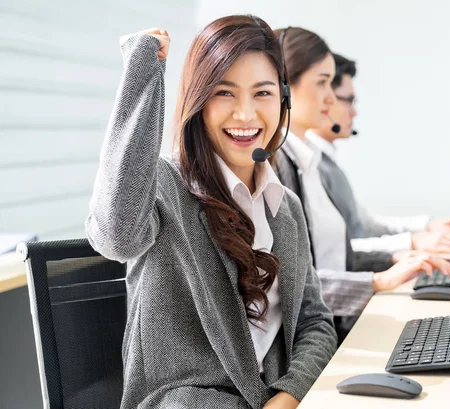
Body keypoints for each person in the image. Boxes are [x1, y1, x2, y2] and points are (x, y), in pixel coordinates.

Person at [85, 16, 336, 409]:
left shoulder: (285, 206)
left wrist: (288, 395)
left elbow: (314, 322)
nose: (245, 115)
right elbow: (115, 235)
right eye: (224, 93)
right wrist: (143, 70)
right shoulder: (166, 185)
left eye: (263, 93)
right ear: (199, 102)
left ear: (283, 100)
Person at [272, 27, 450, 342]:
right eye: (322, 83)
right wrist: (379, 279)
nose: (331, 98)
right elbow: (290, 287)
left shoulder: (307, 162)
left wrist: (394, 260)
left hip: (335, 321)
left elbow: (335, 255)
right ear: (284, 86)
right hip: (323, 332)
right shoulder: (278, 169)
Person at [308, 53, 450, 255]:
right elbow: (329, 251)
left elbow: (363, 226)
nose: (354, 113)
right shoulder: (309, 164)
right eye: (349, 101)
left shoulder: (325, 160)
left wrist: (426, 226)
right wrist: (413, 242)